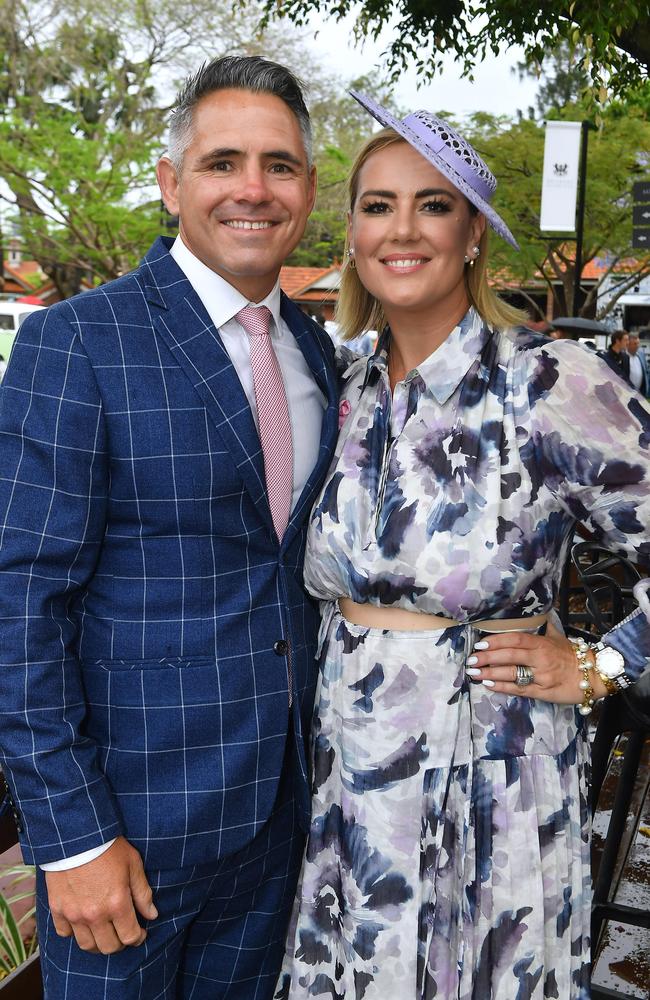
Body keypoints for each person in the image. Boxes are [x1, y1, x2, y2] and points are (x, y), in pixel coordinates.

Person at [276, 92, 650, 999]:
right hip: (351, 782)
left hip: (491, 779)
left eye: (433, 204)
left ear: (474, 232)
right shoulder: (345, 385)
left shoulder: (546, 381)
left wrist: (604, 664)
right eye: (378, 205)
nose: (403, 229)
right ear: (355, 234)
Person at [0, 55, 338, 999]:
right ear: (170, 182)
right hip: (126, 845)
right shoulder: (76, 342)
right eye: (223, 161)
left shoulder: (320, 353)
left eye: (280, 165)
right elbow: (20, 603)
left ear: (308, 188)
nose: (253, 190)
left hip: (280, 828)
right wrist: (70, 838)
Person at [627, 331, 649, 396]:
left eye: (638, 343)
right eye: (635, 343)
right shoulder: (624, 357)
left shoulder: (641, 356)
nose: (637, 346)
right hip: (627, 393)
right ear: (628, 343)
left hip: (640, 393)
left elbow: (646, 372)